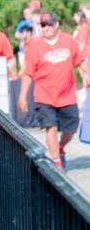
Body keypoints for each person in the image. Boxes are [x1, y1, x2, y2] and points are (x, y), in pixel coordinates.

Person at [18, 12, 89, 170]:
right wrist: (22, 96)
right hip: (44, 95)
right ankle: (56, 162)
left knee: (71, 129)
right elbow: (28, 73)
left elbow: (80, 62)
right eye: (43, 25)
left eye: (49, 24)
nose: (46, 28)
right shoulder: (34, 46)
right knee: (51, 126)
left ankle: (61, 146)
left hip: (67, 95)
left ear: (57, 24)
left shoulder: (69, 41)